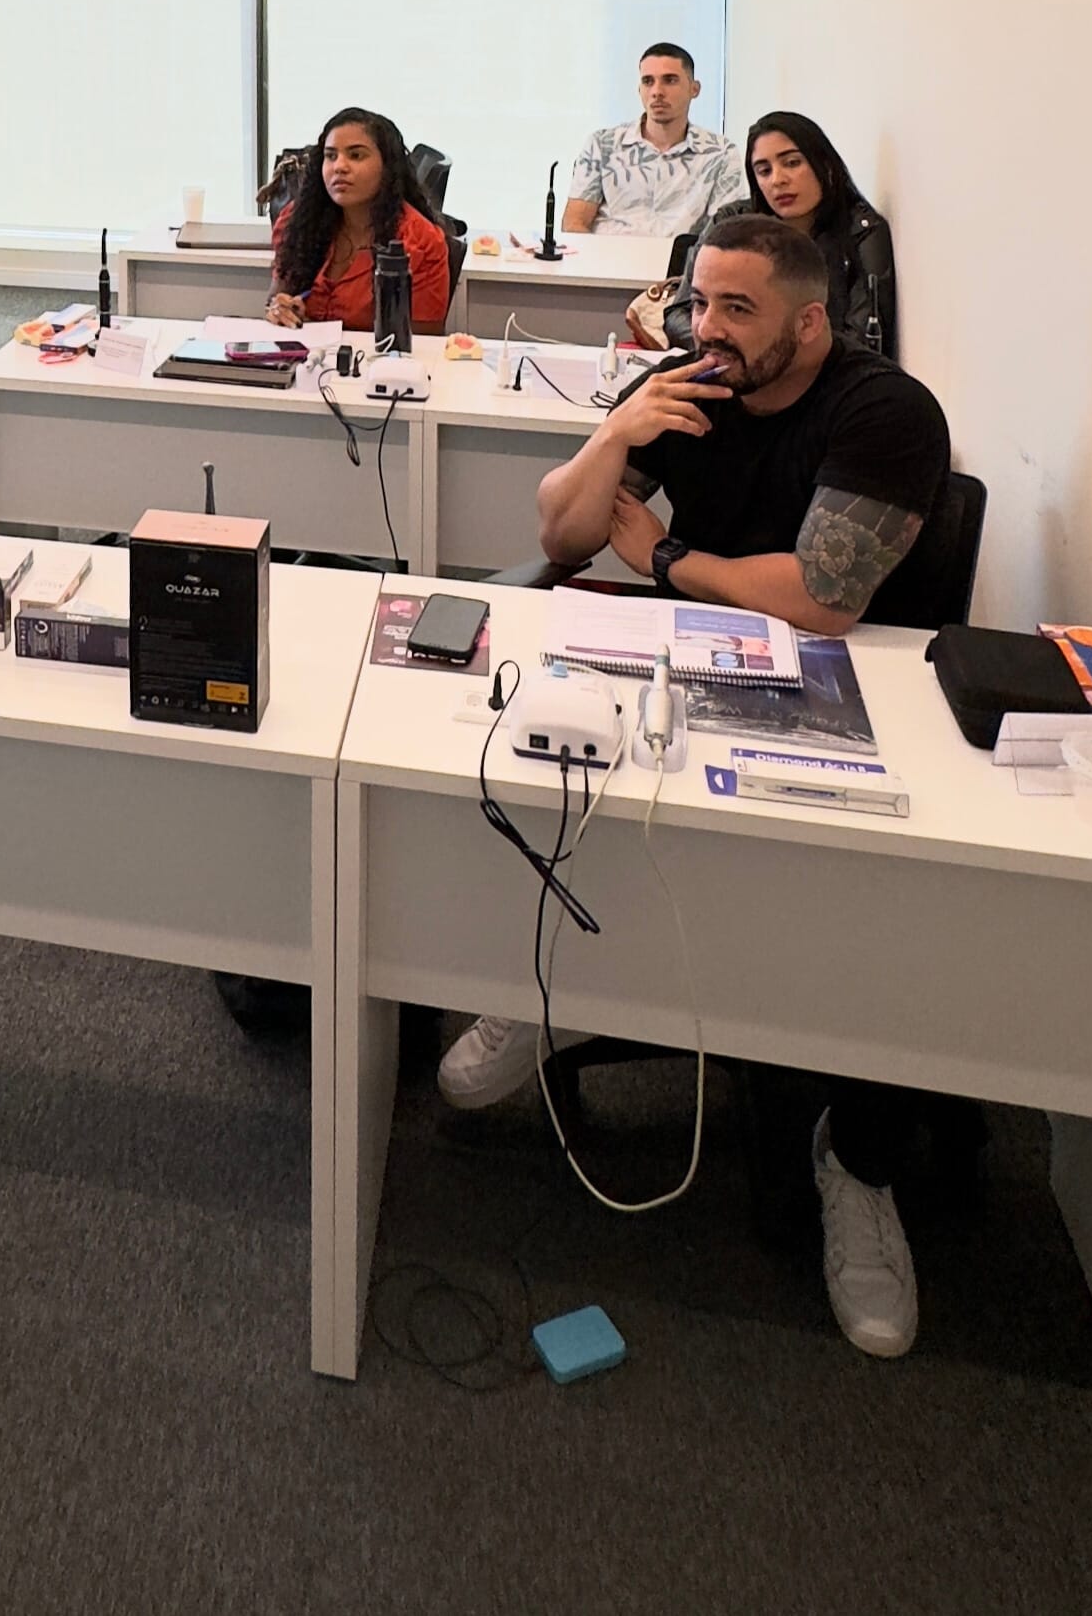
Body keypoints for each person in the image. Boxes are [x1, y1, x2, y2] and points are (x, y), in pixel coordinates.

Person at [439, 212, 952, 1361]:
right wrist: (618, 430)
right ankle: (558, 984)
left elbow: (822, 599)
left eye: (737, 309)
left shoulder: (883, 411)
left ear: (809, 322)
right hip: (690, 653)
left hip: (842, 690)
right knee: (554, 765)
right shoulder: (690, 381)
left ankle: (857, 1166)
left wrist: (670, 559)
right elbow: (562, 532)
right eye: (698, 302)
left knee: (872, 926)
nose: (707, 329)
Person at [659, 112, 897, 353]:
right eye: (764, 171)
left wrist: (767, 357)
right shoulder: (732, 222)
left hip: (819, 373)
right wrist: (733, 349)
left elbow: (863, 343)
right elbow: (678, 315)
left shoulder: (861, 230)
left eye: (792, 163)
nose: (777, 180)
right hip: (729, 364)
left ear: (825, 165)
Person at [267, 110, 449, 334]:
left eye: (356, 156)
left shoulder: (421, 240)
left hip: (378, 356)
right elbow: (275, 297)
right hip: (305, 353)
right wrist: (281, 310)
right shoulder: (297, 220)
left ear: (387, 167)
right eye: (330, 156)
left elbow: (424, 339)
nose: (339, 167)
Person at [563, 44, 746, 238]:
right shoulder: (602, 145)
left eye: (670, 80)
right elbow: (574, 223)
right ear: (639, 89)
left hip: (684, 257)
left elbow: (726, 234)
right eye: (648, 81)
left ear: (694, 89)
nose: (657, 91)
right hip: (608, 255)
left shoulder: (720, 153)